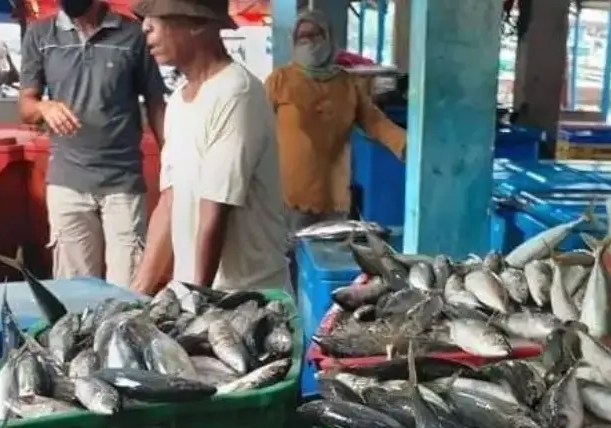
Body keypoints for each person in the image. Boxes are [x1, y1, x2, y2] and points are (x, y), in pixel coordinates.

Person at [130, 0, 290, 294]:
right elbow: (170, 201)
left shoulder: (236, 93)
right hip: (197, 294)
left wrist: (198, 302)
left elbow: (215, 209)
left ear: (197, 24)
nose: (145, 27)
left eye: (158, 17)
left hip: (243, 299)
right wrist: (136, 293)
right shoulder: (177, 102)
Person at [19, 0, 167, 287]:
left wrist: (173, 165)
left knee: (128, 293)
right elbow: (26, 105)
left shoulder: (133, 34)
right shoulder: (40, 34)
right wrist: (44, 108)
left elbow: (155, 103)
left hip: (122, 183)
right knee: (74, 293)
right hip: (67, 183)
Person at [265, 10, 405, 231]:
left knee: (326, 258)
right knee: (287, 258)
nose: (309, 42)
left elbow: (375, 122)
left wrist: (407, 146)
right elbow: (256, 126)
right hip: (288, 197)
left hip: (334, 197)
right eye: (302, 37)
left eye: (315, 35)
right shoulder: (280, 80)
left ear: (329, 38)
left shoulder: (346, 83)